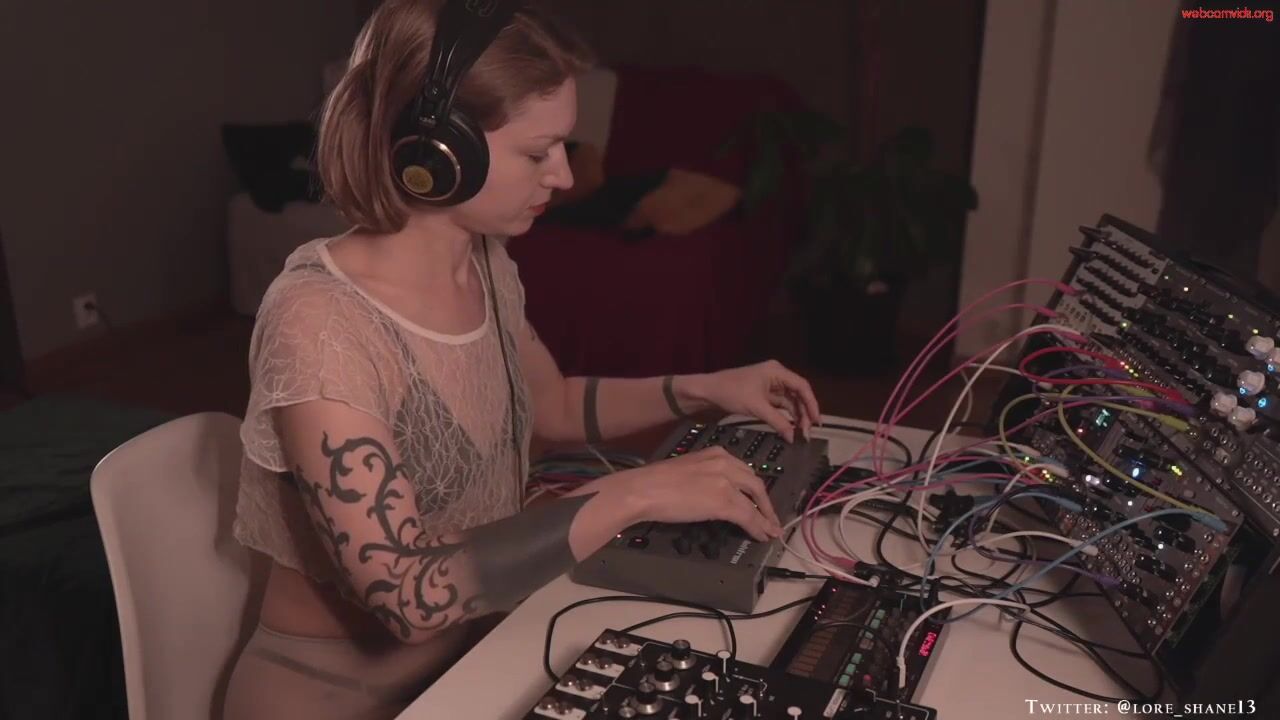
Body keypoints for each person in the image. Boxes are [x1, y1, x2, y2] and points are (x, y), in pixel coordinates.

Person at [222, 1, 821, 718]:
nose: (564, 176)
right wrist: (636, 493)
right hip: (336, 699)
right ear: (437, 154)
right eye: (539, 153)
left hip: (476, 658)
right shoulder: (320, 321)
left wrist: (709, 387)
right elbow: (407, 595)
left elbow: (555, 405)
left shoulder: (485, 262)